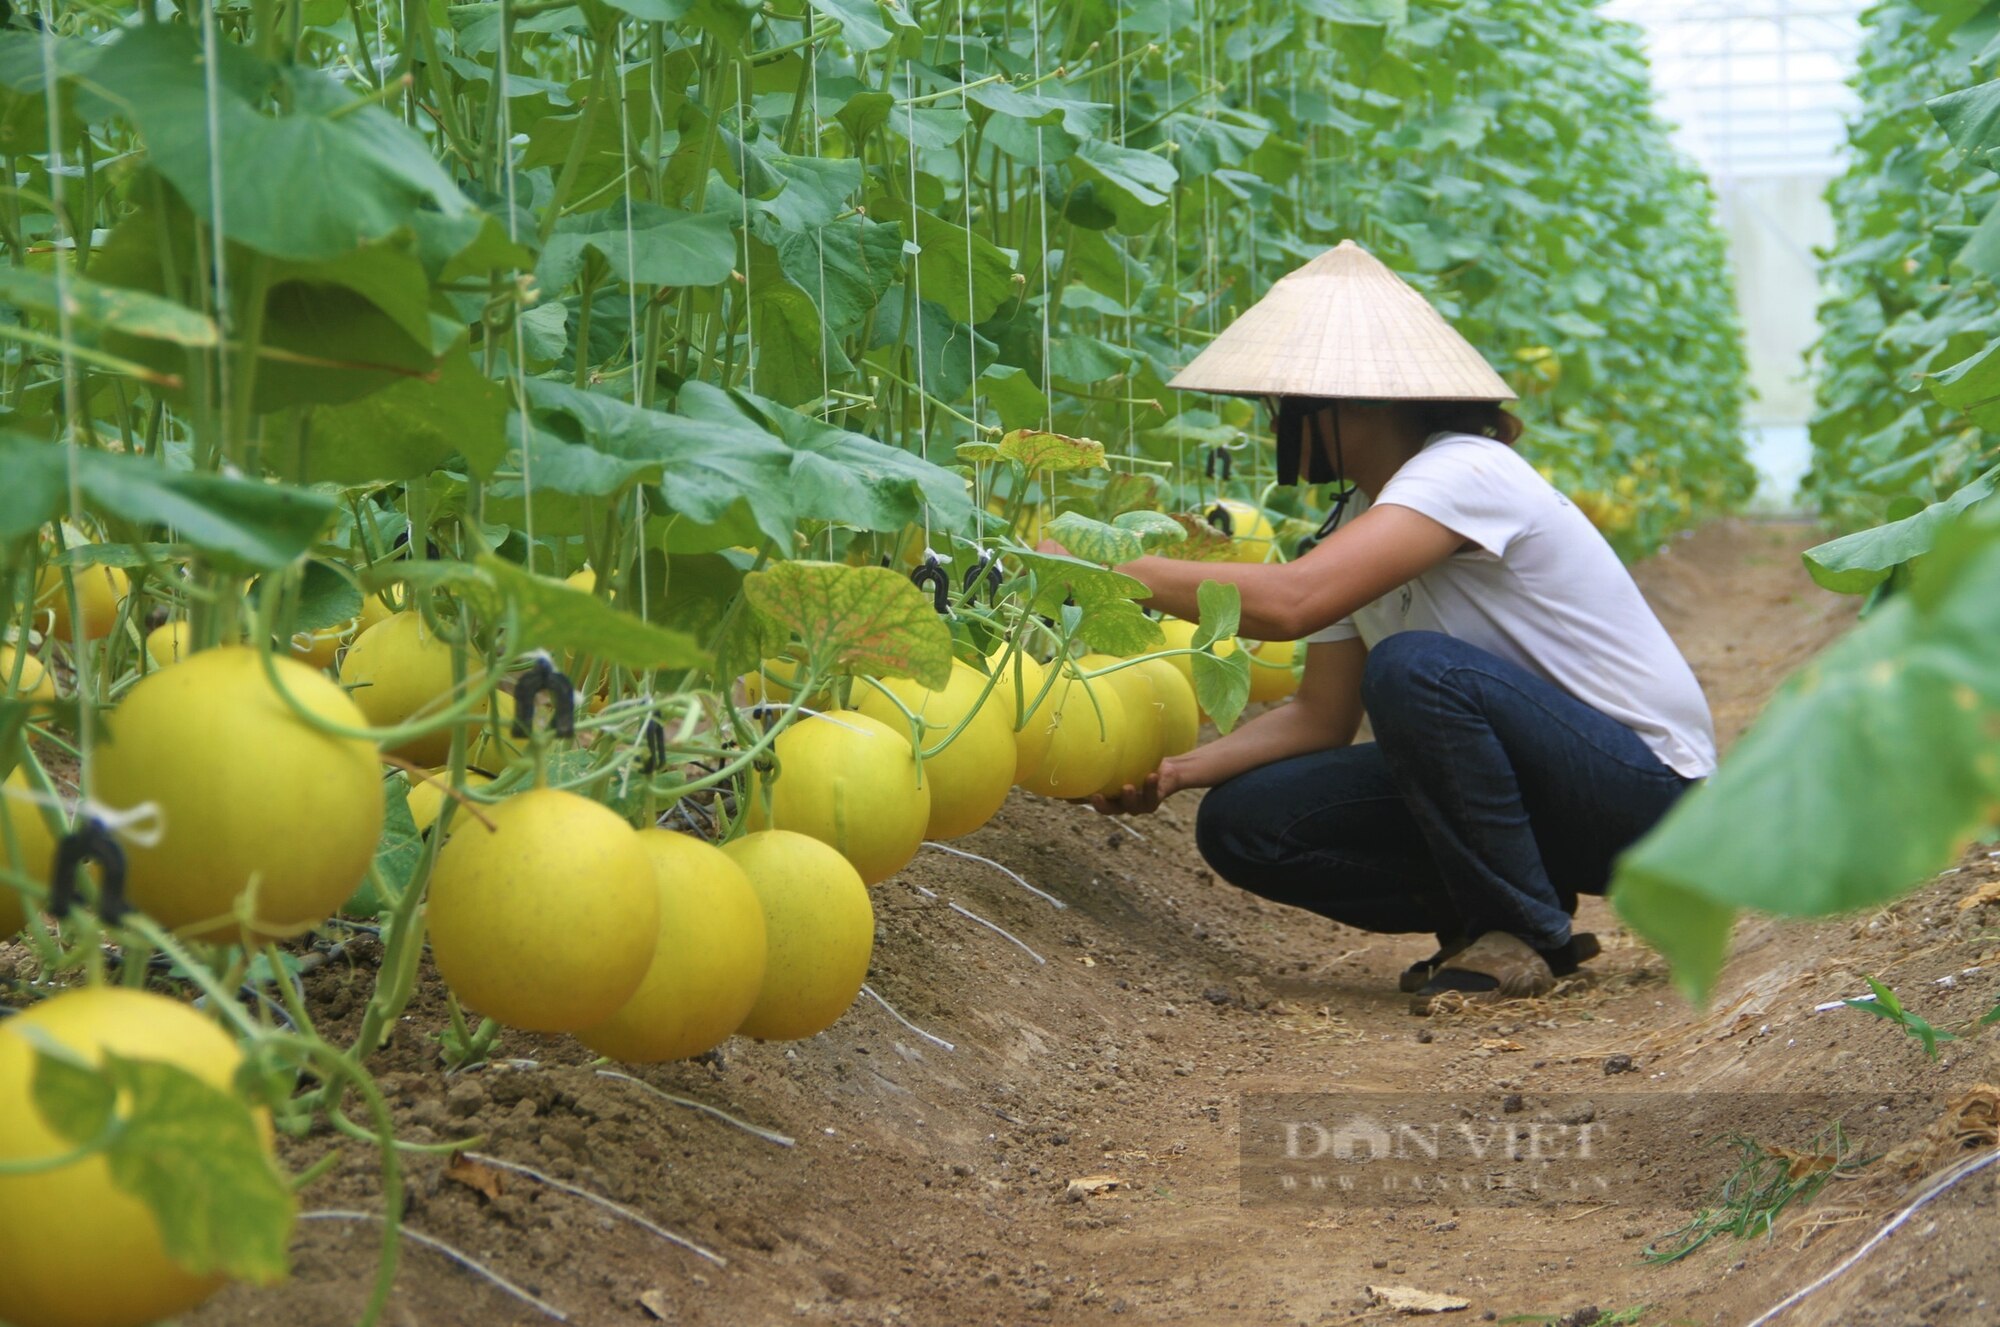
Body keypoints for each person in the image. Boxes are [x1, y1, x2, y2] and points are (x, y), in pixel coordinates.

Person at [1068, 242, 1715, 1013]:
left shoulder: (1465, 471)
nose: (1278, 424)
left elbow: (1296, 600)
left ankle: (1520, 929)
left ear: (1350, 401)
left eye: (1284, 404)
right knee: (1245, 824)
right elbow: (1320, 716)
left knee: (1416, 668)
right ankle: (1499, 914)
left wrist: (1116, 570)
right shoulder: (1356, 523)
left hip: (1648, 797)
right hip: (1541, 799)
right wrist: (1176, 771)